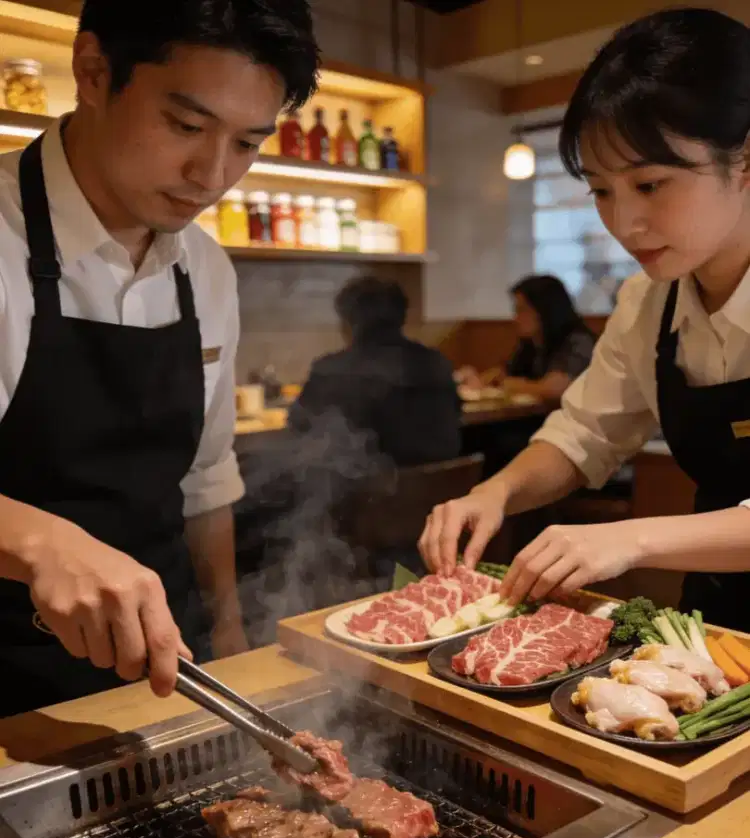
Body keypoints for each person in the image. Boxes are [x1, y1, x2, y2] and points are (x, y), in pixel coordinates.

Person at [0, 0, 320, 716]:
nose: (212, 175)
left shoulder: (204, 267)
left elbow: (206, 479)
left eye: (247, 144)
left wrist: (230, 628)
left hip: (166, 668)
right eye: (186, 125)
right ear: (92, 71)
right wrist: (37, 540)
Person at [420, 7, 750, 633]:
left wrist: (629, 540)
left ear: (744, 160)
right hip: (724, 619)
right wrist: (496, 492)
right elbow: (585, 435)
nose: (623, 224)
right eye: (601, 190)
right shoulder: (649, 302)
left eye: (650, 184)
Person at [288, 276, 462, 467]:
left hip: (370, 492)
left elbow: (298, 424)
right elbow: (455, 413)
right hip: (441, 488)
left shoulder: (331, 370)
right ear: (402, 318)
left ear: (348, 322)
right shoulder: (435, 362)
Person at [456, 274, 595, 405]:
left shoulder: (578, 341)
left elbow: (555, 388)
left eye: (522, 310)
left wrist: (513, 385)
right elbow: (504, 373)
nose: (516, 319)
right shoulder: (532, 343)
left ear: (546, 311)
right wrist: (479, 380)